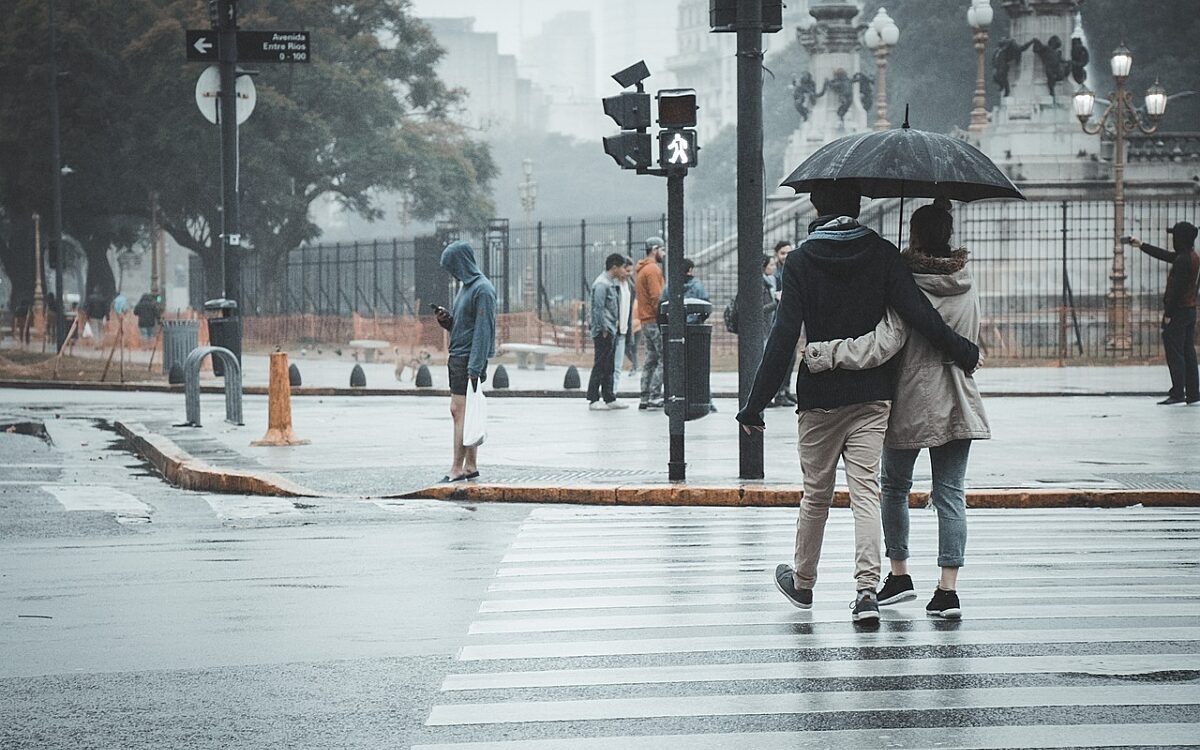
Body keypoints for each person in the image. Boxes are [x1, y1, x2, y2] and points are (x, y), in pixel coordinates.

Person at [734, 182, 980, 623]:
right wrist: (961, 348)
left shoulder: (802, 261)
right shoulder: (883, 254)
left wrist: (754, 404)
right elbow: (918, 314)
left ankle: (804, 583)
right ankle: (867, 591)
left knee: (817, 495)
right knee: (866, 491)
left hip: (819, 398)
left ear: (816, 206)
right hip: (872, 396)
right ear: (860, 204)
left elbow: (783, 336)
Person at [803, 202, 991, 619]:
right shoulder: (966, 279)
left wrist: (829, 354)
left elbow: (887, 342)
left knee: (892, 488)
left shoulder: (907, 283)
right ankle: (947, 591)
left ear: (915, 236)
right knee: (951, 495)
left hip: (910, 396)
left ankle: (900, 574)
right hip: (959, 397)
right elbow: (970, 336)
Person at [433, 240, 497, 482]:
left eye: (452, 266)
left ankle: (456, 468)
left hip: (468, 360)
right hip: (460, 356)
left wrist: (475, 366)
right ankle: (470, 466)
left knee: (458, 412)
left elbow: (483, 331)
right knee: (465, 414)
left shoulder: (483, 289)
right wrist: (446, 321)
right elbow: (464, 326)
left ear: (462, 263)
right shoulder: (466, 288)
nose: (451, 272)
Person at [1130, 222, 1199, 405]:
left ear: (1181, 238)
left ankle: (1178, 392)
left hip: (1179, 311)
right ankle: (1193, 392)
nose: (1173, 240)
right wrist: (1141, 245)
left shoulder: (1183, 260)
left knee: (1175, 352)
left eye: (1175, 236)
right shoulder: (1191, 256)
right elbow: (1166, 255)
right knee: (1188, 351)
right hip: (1190, 310)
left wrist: (1168, 314)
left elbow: (1177, 290)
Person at [588, 253, 629, 410]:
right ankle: (593, 398)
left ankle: (609, 396)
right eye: (621, 268)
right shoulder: (601, 284)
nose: (623, 271)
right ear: (614, 267)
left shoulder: (609, 283)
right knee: (600, 364)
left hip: (611, 329)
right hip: (604, 331)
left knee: (609, 365)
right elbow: (598, 308)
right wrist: (602, 328)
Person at [635, 237, 666, 410]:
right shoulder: (653, 270)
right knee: (664, 358)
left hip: (645, 320)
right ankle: (655, 395)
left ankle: (644, 396)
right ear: (654, 249)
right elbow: (657, 297)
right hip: (655, 320)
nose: (664, 254)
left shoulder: (641, 270)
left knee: (650, 359)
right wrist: (664, 317)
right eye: (662, 250)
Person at [771, 240, 797, 407]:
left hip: (790, 316)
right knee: (782, 356)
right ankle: (780, 392)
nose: (786, 256)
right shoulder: (774, 272)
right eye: (782, 253)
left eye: (788, 252)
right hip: (778, 318)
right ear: (776, 254)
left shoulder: (792, 268)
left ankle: (785, 390)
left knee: (792, 356)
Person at [613, 256, 636, 393]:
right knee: (608, 365)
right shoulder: (613, 285)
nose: (629, 274)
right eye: (626, 270)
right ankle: (607, 393)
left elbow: (629, 310)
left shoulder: (630, 286)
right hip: (613, 329)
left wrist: (629, 332)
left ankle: (613, 393)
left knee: (617, 365)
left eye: (631, 272)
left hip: (623, 328)